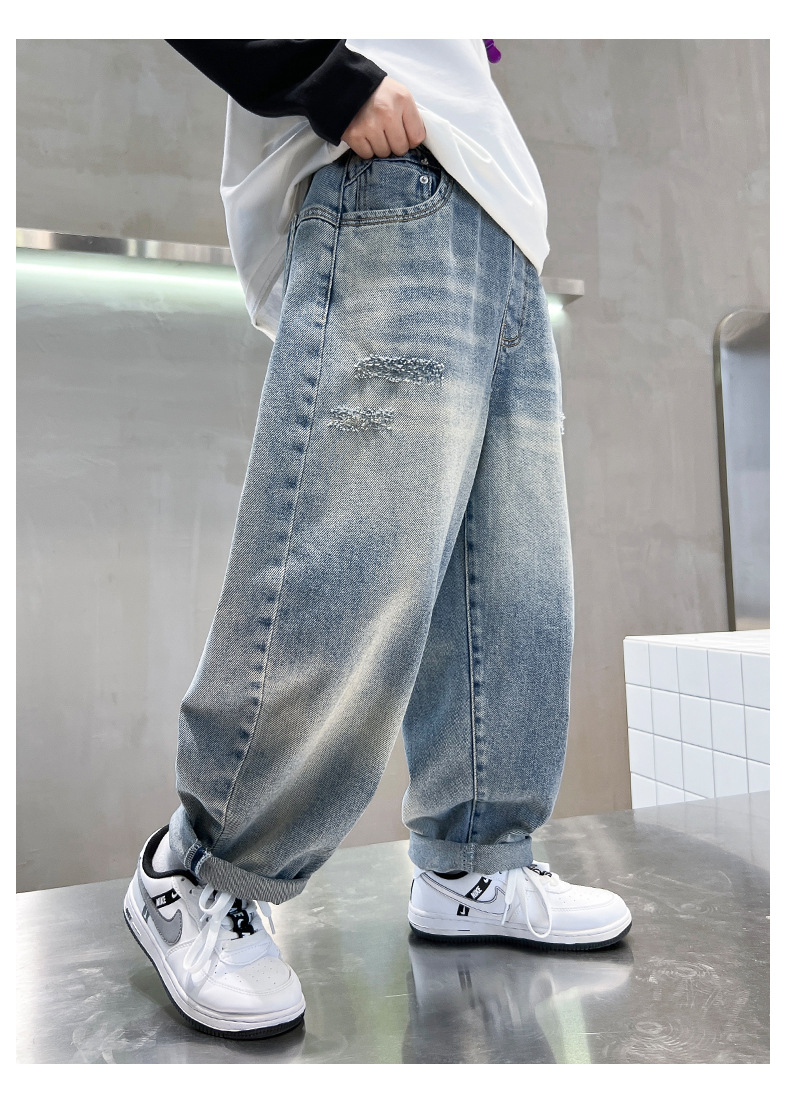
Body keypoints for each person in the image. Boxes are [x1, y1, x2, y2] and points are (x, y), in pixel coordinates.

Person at [123, 38, 632, 1041]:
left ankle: (476, 865)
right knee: (355, 558)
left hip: (504, 225)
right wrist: (325, 72)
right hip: (388, 175)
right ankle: (200, 868)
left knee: (515, 588)